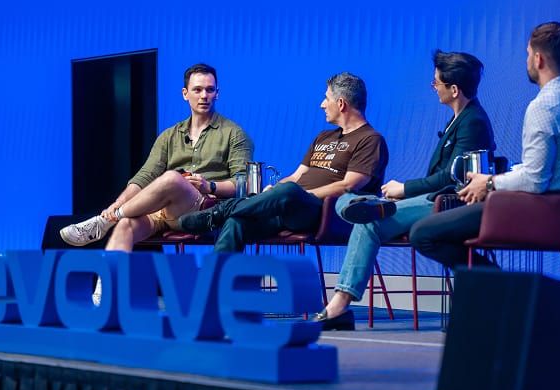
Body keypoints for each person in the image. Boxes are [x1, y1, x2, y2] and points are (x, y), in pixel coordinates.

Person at [317, 50, 496, 331]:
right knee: (351, 202)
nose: (433, 87)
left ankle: (338, 305)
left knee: (368, 223)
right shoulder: (459, 119)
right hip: (434, 198)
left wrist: (404, 189)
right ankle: (364, 204)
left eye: (436, 82)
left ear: (454, 89)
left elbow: (451, 179)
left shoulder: (472, 121)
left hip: (448, 203)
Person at [408, 22, 560, 271]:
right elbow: (551, 169)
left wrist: (489, 183)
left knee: (423, 233)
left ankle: (499, 287)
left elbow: (535, 180)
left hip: (541, 214)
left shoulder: (544, 107)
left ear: (538, 58)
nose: (526, 61)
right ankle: (490, 294)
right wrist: (499, 178)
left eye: (527, 55)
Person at [179, 72, 389, 258]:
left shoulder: (370, 140)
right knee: (237, 223)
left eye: (326, 99)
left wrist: (299, 194)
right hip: (288, 207)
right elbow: (296, 176)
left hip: (323, 213)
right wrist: (275, 192)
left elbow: (347, 186)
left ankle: (219, 211)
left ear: (341, 104)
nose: (322, 104)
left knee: (289, 190)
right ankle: (214, 290)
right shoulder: (323, 137)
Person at [60, 63, 254, 252]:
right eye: (197, 90)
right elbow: (145, 175)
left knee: (172, 178)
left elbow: (243, 184)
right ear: (185, 94)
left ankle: (104, 222)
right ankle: (108, 283)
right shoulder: (169, 135)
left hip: (205, 210)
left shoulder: (234, 134)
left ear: (217, 93)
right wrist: (115, 205)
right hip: (164, 212)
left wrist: (210, 186)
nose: (204, 96)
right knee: (126, 225)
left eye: (210, 90)